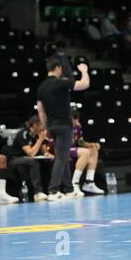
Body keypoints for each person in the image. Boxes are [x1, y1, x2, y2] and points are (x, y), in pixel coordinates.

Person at [37, 56, 90, 201]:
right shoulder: (61, 82)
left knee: (63, 156)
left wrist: (46, 127)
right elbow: (84, 84)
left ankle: (68, 189)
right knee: (61, 158)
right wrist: (84, 71)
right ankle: (53, 191)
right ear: (57, 68)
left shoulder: (41, 87)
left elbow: (40, 111)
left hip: (52, 126)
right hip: (64, 126)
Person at [9, 116, 50, 202]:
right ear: (35, 125)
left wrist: (48, 154)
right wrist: (40, 140)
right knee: (33, 162)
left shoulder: (38, 134)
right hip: (15, 158)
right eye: (41, 125)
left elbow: (44, 150)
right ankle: (37, 192)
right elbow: (31, 153)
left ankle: (51, 191)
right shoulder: (24, 133)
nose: (43, 127)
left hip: (27, 158)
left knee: (48, 161)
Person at [69, 110, 104, 194]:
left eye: (77, 119)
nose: (76, 121)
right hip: (63, 150)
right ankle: (74, 184)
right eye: (74, 119)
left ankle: (89, 182)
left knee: (93, 150)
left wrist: (91, 144)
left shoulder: (77, 127)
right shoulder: (63, 127)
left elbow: (80, 142)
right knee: (85, 152)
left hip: (73, 149)